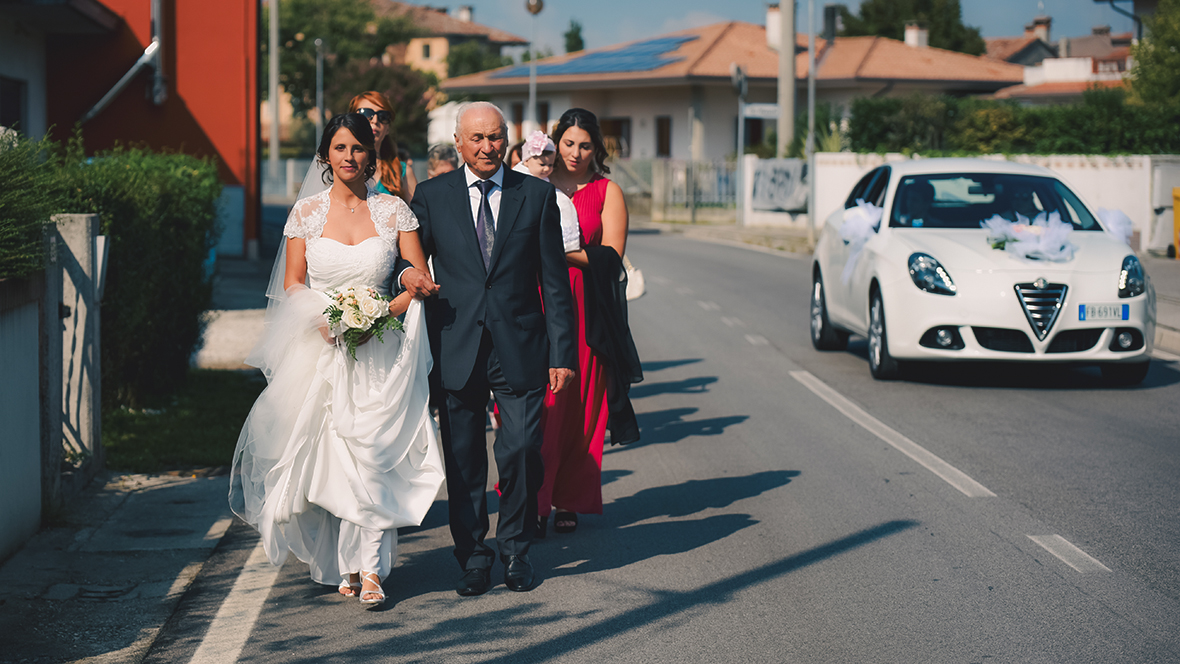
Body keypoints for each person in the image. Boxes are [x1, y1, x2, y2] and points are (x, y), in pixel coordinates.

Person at [229, 113, 444, 608]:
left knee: (372, 456)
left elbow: (417, 270)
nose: (350, 157)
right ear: (326, 155)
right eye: (340, 148)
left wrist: (397, 297)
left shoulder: (394, 211)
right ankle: (343, 562)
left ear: (372, 155)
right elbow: (294, 283)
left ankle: (370, 566)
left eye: (359, 148)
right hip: (322, 348)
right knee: (330, 462)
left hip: (381, 347)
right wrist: (328, 321)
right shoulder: (305, 213)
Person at [397, 102, 577, 596]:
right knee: (464, 459)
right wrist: (409, 276)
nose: (486, 147)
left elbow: (555, 285)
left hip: (521, 345)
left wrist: (563, 353)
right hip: (456, 342)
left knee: (519, 450)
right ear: (458, 143)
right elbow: (405, 260)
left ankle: (516, 550)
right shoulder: (432, 197)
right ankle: (473, 556)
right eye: (476, 138)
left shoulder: (536, 196)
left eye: (495, 137)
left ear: (506, 140)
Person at [541, 108, 642, 536]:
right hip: (537, 303)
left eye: (585, 145)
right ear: (555, 142)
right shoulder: (536, 184)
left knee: (579, 410)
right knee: (539, 409)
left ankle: (569, 499)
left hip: (586, 311)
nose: (576, 153)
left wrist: (559, 254)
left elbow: (611, 257)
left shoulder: (607, 191)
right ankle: (531, 497)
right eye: (568, 143)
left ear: (596, 149)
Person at [513, 130, 582, 254]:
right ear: (527, 161)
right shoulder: (517, 181)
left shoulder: (547, 185)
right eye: (542, 164)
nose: (547, 169)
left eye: (550, 165)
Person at [349, 91, 418, 202]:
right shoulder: (341, 167)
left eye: (383, 116)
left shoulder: (402, 172)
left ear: (388, 128)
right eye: (366, 114)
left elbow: (417, 217)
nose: (375, 121)